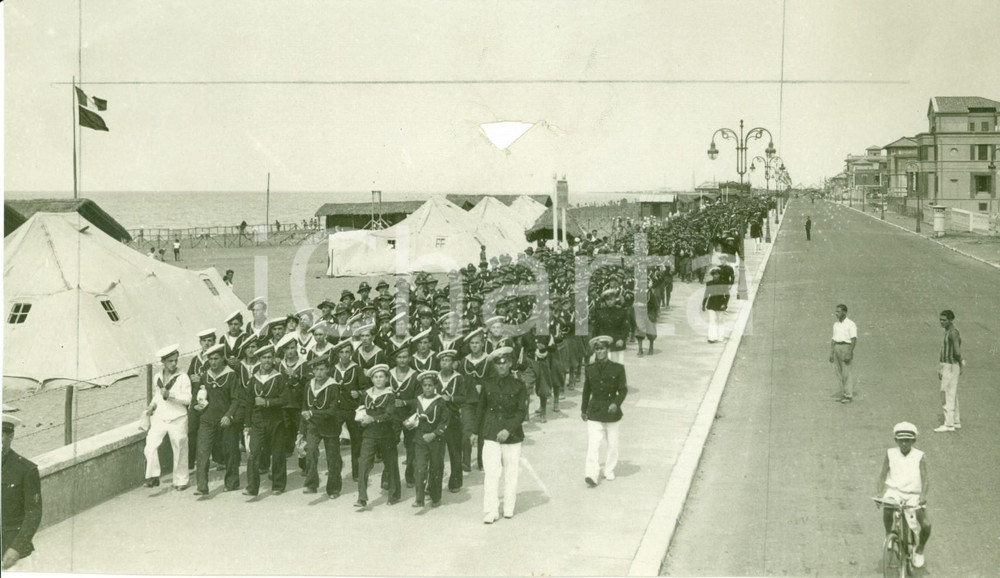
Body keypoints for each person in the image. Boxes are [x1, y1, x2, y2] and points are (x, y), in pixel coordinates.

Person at [478, 346, 528, 523]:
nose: (501, 366)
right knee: (491, 473)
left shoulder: (518, 386)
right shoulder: (487, 383)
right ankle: (491, 510)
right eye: (498, 363)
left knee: (511, 473)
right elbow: (481, 409)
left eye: (504, 362)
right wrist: (477, 433)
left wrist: (508, 429)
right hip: (491, 432)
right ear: (494, 365)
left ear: (510, 364)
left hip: (511, 435)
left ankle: (508, 507)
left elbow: (522, 411)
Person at [876, 422, 931, 569]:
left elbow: (925, 480)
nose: (904, 443)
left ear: (913, 441)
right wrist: (879, 493)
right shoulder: (890, 454)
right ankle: (889, 535)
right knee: (887, 506)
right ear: (896, 440)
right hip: (895, 492)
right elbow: (882, 475)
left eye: (908, 440)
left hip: (913, 495)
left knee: (926, 525)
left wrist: (923, 496)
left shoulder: (919, 456)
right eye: (901, 440)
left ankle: (919, 550)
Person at [192, 344, 242, 495]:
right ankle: (202, 486)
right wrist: (196, 406)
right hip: (207, 420)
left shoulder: (231, 375)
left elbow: (236, 399)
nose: (213, 362)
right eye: (210, 359)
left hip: (225, 420)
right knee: (202, 452)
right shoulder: (205, 376)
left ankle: (232, 482)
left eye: (216, 359)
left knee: (230, 451)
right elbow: (196, 397)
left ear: (222, 359)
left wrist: (229, 416)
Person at [581, 336, 628, 487]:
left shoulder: (618, 368)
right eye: (597, 349)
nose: (599, 351)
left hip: (611, 411)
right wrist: (583, 409)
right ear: (594, 351)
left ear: (607, 350)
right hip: (595, 410)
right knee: (593, 445)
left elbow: (623, 390)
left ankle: (609, 469)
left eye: (602, 348)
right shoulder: (590, 369)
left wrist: (616, 403)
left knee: (612, 445)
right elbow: (586, 391)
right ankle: (591, 474)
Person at [143, 344, 192, 490]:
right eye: (170, 361)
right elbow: (158, 395)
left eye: (176, 360)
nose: (174, 364)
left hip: (178, 418)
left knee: (180, 449)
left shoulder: (183, 377)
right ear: (163, 362)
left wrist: (170, 395)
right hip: (160, 417)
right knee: (150, 446)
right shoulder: (157, 376)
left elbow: (188, 399)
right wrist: (152, 406)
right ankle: (153, 476)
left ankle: (181, 480)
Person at [243, 344, 289, 497]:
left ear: (273, 359)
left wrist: (268, 402)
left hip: (276, 421)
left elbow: (285, 399)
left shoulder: (279, 377)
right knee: (253, 453)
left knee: (277, 454)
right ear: (259, 359)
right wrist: (247, 424)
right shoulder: (253, 379)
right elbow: (249, 402)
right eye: (264, 358)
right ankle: (252, 487)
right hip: (258, 422)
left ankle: (278, 484)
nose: (267, 361)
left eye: (269, 357)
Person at [356, 364, 400, 509]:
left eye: (381, 376)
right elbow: (362, 408)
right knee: (363, 464)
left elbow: (389, 414)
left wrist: (373, 419)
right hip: (369, 434)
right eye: (375, 377)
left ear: (387, 379)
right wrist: (361, 420)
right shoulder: (366, 394)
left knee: (391, 464)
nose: (378, 379)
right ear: (372, 379)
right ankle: (362, 497)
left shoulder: (390, 394)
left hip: (386, 434)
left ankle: (394, 494)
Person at [2, 415, 42, 571]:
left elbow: (34, 513)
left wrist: (17, 548)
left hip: (13, 555)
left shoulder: (26, 470)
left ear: (11, 436)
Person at [300, 355, 343, 497]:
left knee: (332, 458)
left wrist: (312, 413)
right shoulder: (308, 384)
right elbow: (305, 407)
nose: (319, 373)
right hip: (313, 426)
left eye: (322, 369)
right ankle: (311, 483)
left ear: (328, 370)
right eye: (317, 369)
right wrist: (302, 430)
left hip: (330, 427)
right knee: (311, 452)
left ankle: (334, 488)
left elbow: (331, 411)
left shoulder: (333, 386)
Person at [409, 372, 450, 508]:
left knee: (436, 468)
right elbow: (413, 416)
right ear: (421, 386)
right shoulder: (417, 400)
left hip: (436, 440)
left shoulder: (440, 401)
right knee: (420, 468)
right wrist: (410, 422)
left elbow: (445, 421)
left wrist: (434, 434)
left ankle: (435, 496)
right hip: (420, 439)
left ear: (435, 386)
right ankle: (419, 498)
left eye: (430, 385)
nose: (427, 388)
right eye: (425, 385)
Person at [935, 310, 964, 432]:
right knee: (952, 393)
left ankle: (949, 424)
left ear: (951, 320)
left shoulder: (953, 333)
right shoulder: (948, 331)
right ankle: (955, 421)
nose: (941, 322)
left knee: (946, 394)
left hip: (951, 365)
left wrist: (960, 364)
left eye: (944, 320)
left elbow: (957, 351)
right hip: (948, 365)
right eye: (940, 320)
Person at [829, 304, 858, 403]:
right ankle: (843, 394)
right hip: (837, 347)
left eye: (838, 311)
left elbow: (853, 339)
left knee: (846, 373)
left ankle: (848, 396)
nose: (836, 313)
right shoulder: (835, 325)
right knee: (839, 372)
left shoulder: (851, 324)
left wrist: (849, 352)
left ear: (844, 312)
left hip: (846, 347)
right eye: (836, 311)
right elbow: (833, 339)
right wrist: (831, 353)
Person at [701, 268, 727, 344]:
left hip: (720, 305)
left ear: (719, 275)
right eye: (714, 274)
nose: (716, 276)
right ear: (712, 275)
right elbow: (706, 294)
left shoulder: (723, 283)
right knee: (712, 321)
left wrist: (724, 304)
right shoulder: (709, 283)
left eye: (717, 274)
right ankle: (711, 337)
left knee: (720, 321)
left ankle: (720, 337)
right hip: (711, 305)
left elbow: (727, 295)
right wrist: (703, 304)